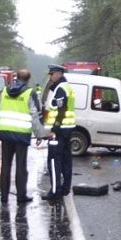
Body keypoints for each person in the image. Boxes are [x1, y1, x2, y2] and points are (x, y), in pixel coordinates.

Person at [0, 69, 47, 205]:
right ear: (28, 79)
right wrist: (40, 134)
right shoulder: (30, 92)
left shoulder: (4, 91)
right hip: (21, 135)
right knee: (21, 166)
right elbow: (35, 116)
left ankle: (4, 197)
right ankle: (21, 196)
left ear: (16, 77)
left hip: (5, 133)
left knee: (5, 166)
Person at [42, 64, 76, 200]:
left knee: (54, 161)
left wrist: (53, 129)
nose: (50, 76)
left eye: (52, 74)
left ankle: (55, 191)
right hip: (67, 130)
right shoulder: (66, 87)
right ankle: (65, 189)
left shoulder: (61, 89)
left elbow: (61, 111)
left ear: (59, 74)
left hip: (59, 131)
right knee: (66, 160)